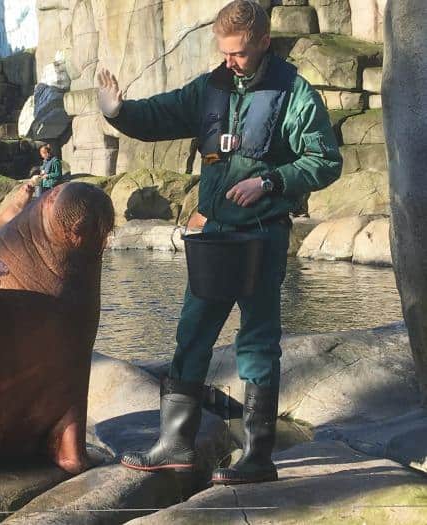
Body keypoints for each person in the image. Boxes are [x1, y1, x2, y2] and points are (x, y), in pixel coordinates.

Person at [97, 0, 341, 484]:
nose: (231, 61)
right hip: (214, 237)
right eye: (225, 52)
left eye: (241, 54)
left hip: (262, 238)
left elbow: (325, 161)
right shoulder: (211, 88)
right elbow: (159, 115)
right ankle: (176, 444)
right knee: (191, 334)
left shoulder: (295, 94)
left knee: (257, 343)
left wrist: (269, 181)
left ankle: (257, 456)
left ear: (264, 43)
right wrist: (119, 112)